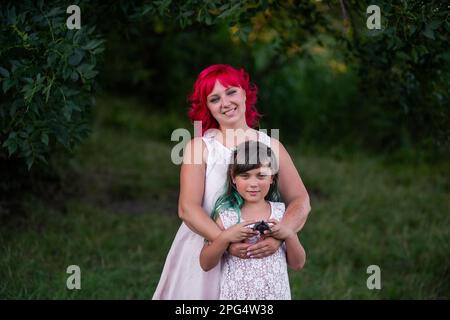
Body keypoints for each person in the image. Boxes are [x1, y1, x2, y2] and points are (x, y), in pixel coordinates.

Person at [152, 64, 310, 299]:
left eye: (231, 92)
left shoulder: (271, 146)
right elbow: (188, 208)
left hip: (254, 256)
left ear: (245, 93)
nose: (225, 103)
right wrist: (224, 241)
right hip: (206, 249)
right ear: (207, 107)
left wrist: (280, 235)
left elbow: (301, 200)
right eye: (214, 99)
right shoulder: (200, 147)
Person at [200, 141, 306, 300]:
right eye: (245, 176)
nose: (253, 184)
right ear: (233, 178)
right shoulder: (227, 216)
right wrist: (225, 238)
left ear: (272, 177)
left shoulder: (280, 214)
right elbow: (206, 264)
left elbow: (298, 264)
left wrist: (289, 234)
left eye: (261, 175)